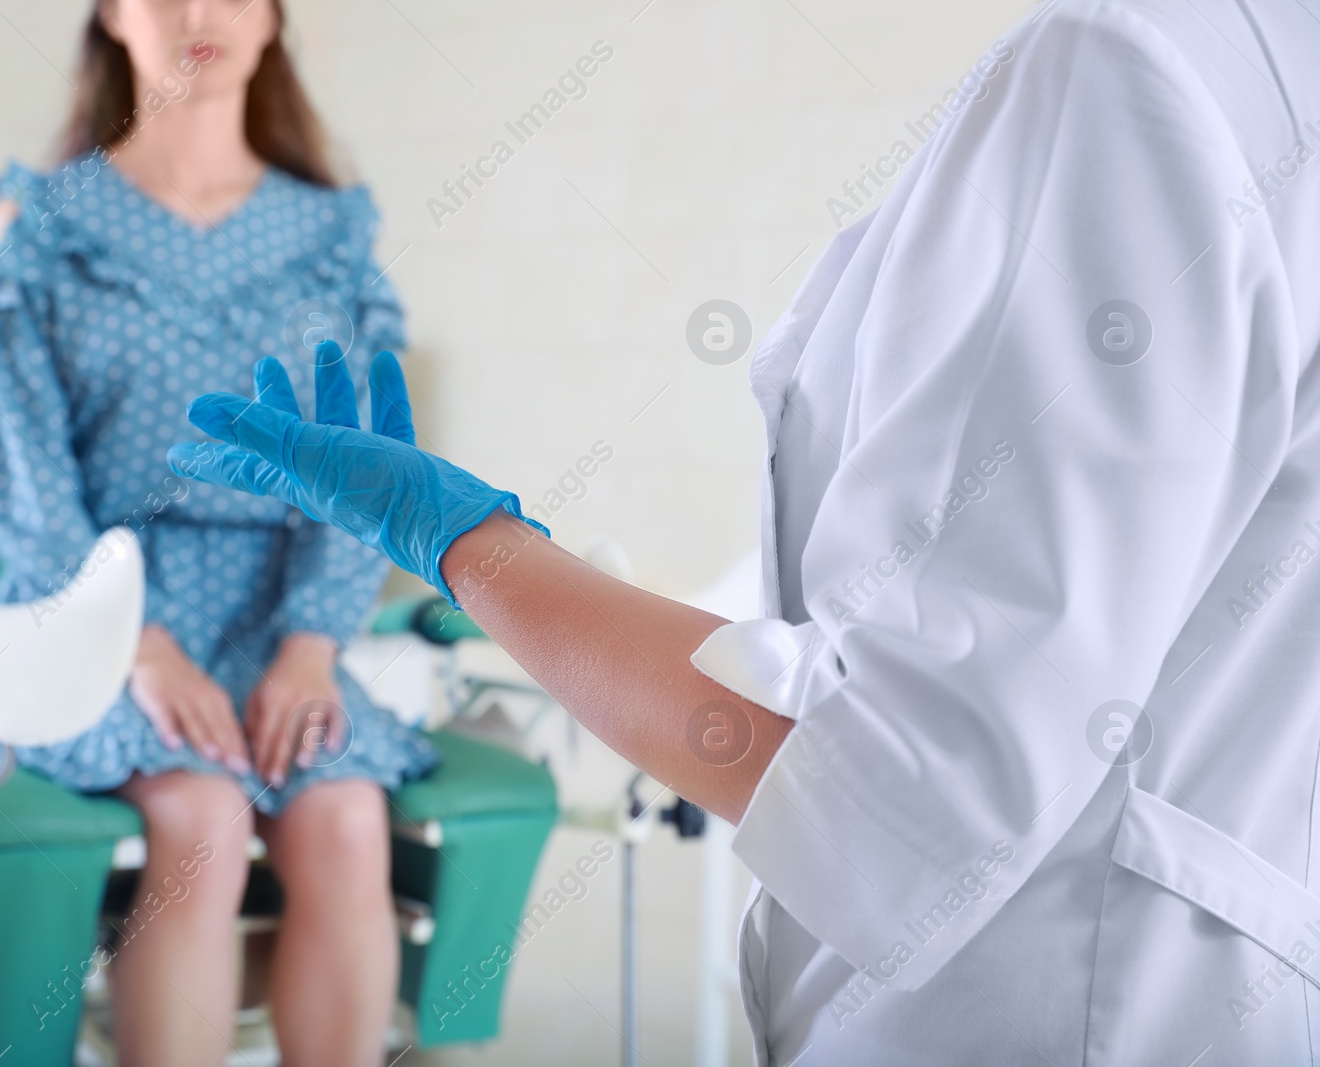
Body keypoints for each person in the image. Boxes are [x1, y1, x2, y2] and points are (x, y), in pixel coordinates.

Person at [170, 0, 1320, 1062]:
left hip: (1049, 1001)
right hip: (1205, 978)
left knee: (338, 826)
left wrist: (463, 545)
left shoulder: (1127, 68)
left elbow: (904, 791)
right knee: (200, 820)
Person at [0, 1, 438, 1064]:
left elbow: (363, 469)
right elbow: (24, 480)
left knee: (348, 819)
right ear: (110, 17)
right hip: (94, 614)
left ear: (273, 21)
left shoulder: (332, 234)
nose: (197, 12)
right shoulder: (39, 225)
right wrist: (140, 644)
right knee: (203, 820)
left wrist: (311, 641)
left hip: (280, 611)